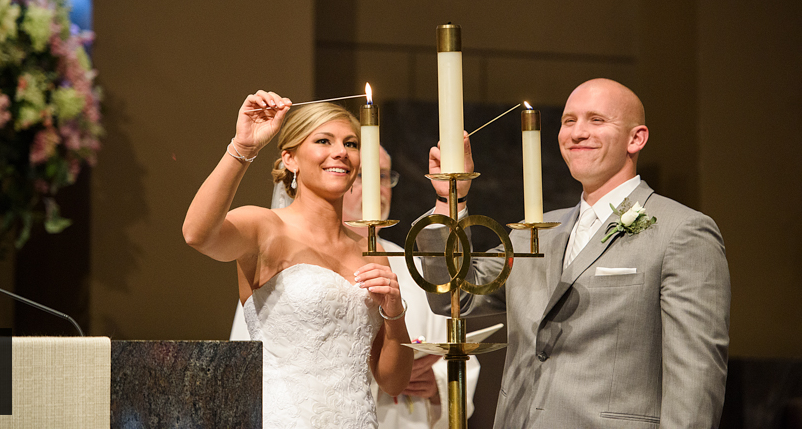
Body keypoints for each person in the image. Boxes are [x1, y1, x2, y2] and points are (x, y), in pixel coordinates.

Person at [418, 78, 731, 429]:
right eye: (569, 121)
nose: (577, 132)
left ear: (636, 138)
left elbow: (696, 376)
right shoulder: (533, 233)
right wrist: (449, 199)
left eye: (596, 120)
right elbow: (454, 294)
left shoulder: (682, 231)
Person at [183, 90, 413, 428]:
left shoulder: (371, 249)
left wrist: (394, 314)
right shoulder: (264, 227)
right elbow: (197, 234)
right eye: (324, 140)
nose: (341, 152)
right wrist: (244, 148)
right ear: (290, 159)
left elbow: (393, 382)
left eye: (351, 144)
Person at [231, 146, 482, 428]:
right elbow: (251, 355)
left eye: (384, 176)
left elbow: (454, 347)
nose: (377, 187)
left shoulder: (413, 265)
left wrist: (435, 384)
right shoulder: (282, 263)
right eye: (363, 175)